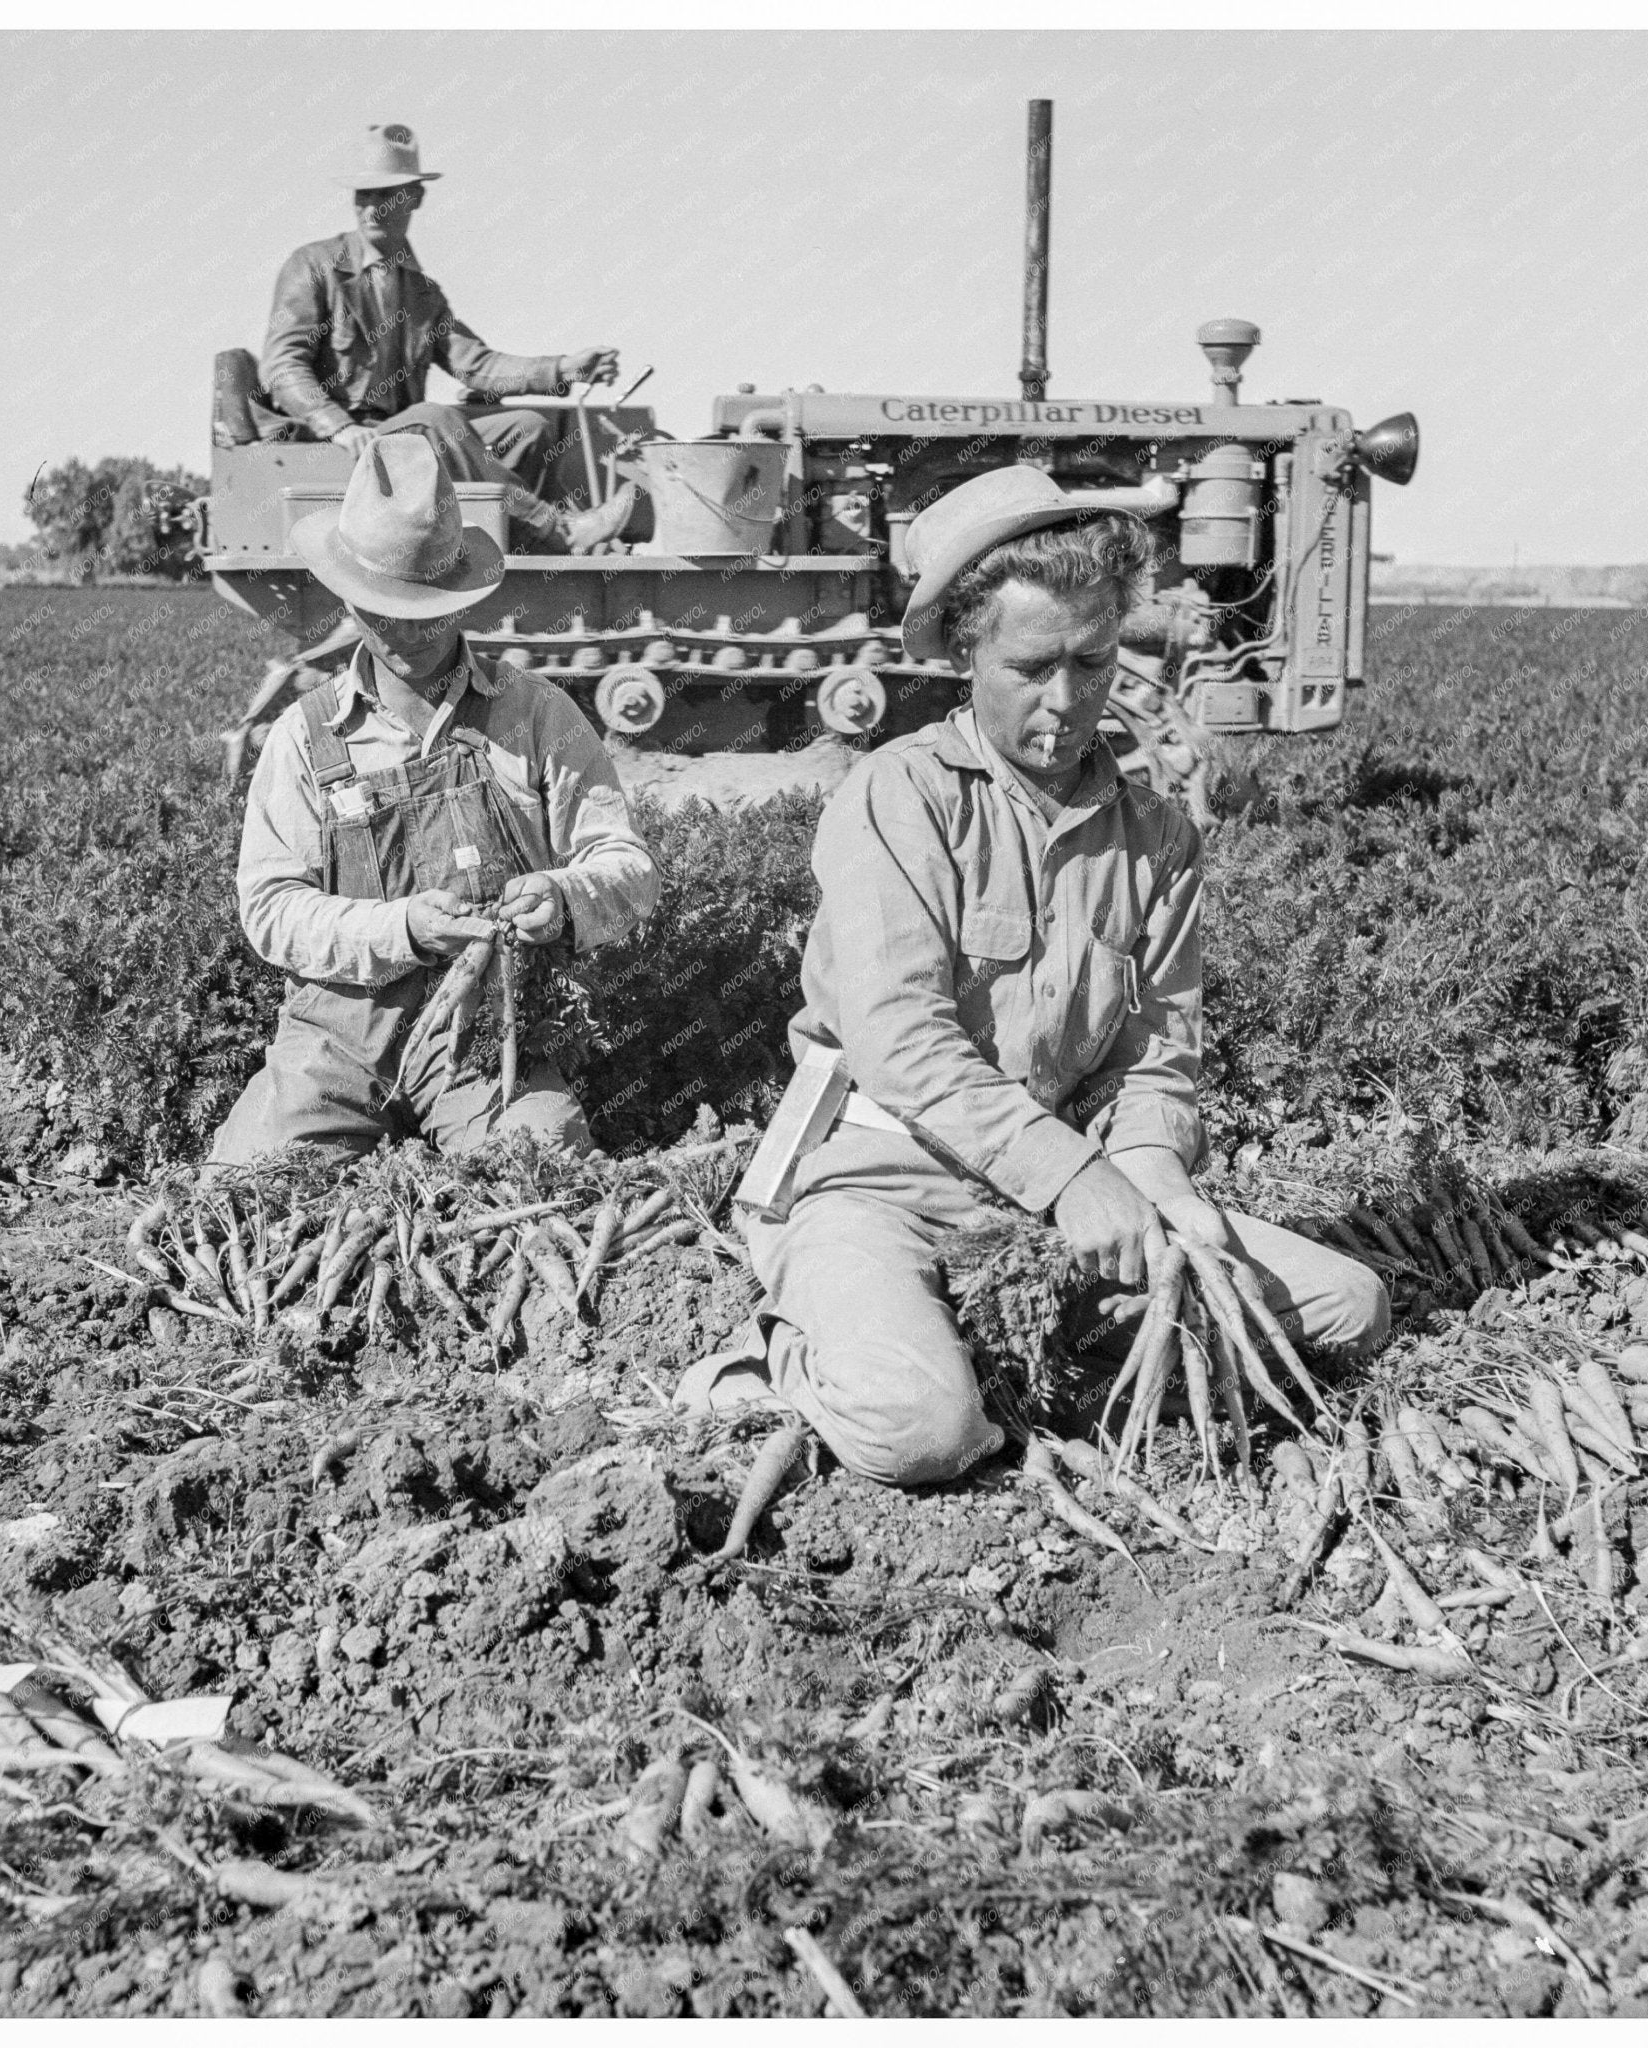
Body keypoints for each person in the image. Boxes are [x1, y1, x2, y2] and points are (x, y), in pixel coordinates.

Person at [678, 466, 1389, 1486]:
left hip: (1048, 1205)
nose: (1064, 700)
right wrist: (1070, 1174)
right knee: (917, 1432)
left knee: (1343, 1309)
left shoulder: (1155, 835)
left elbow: (1155, 1056)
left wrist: (1144, 1169)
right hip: (872, 1177)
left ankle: (1006, 1359)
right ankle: (775, 1359)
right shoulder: (900, 797)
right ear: (966, 653)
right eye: (1029, 665)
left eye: (1090, 661)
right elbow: (900, 1043)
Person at [208, 434, 658, 1167]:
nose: (408, 633)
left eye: (430, 609)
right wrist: (403, 928)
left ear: (468, 596)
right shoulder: (304, 735)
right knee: (249, 1179)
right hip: (337, 1041)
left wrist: (566, 897)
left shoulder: (535, 714)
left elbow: (627, 865)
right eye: (384, 610)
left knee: (542, 1161)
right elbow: (269, 909)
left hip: (487, 1040)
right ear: (348, 597)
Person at [258, 122, 638, 558]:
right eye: (364, 196)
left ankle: (501, 550)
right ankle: (560, 534)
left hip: (401, 440)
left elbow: (476, 364)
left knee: (528, 428)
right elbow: (282, 366)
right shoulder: (313, 266)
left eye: (388, 195)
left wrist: (563, 368)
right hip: (340, 442)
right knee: (433, 419)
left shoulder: (422, 293)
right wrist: (338, 425)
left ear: (416, 198)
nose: (373, 209)